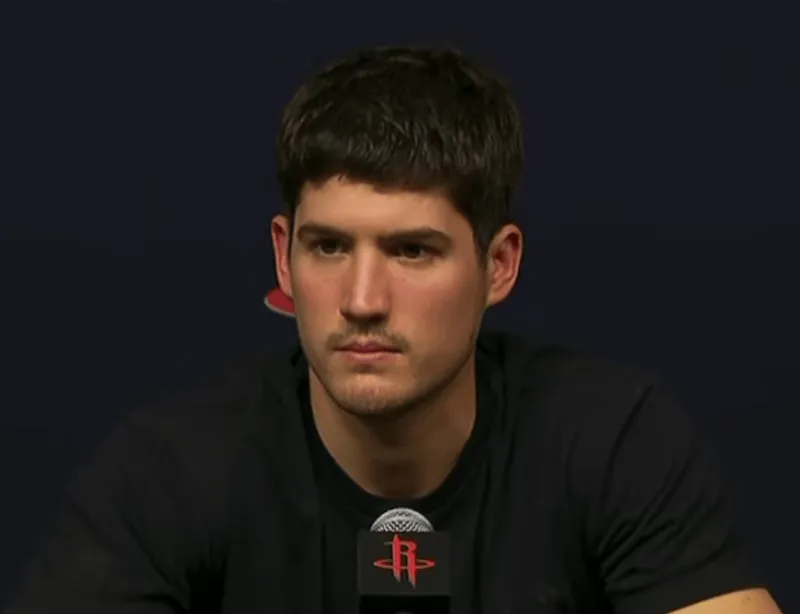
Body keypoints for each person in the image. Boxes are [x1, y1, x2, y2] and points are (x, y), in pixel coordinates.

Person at [5, 45, 783, 614]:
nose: (362, 299)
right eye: (328, 247)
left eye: (412, 251)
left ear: (499, 265)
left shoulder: (612, 440)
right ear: (282, 256)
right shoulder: (170, 471)